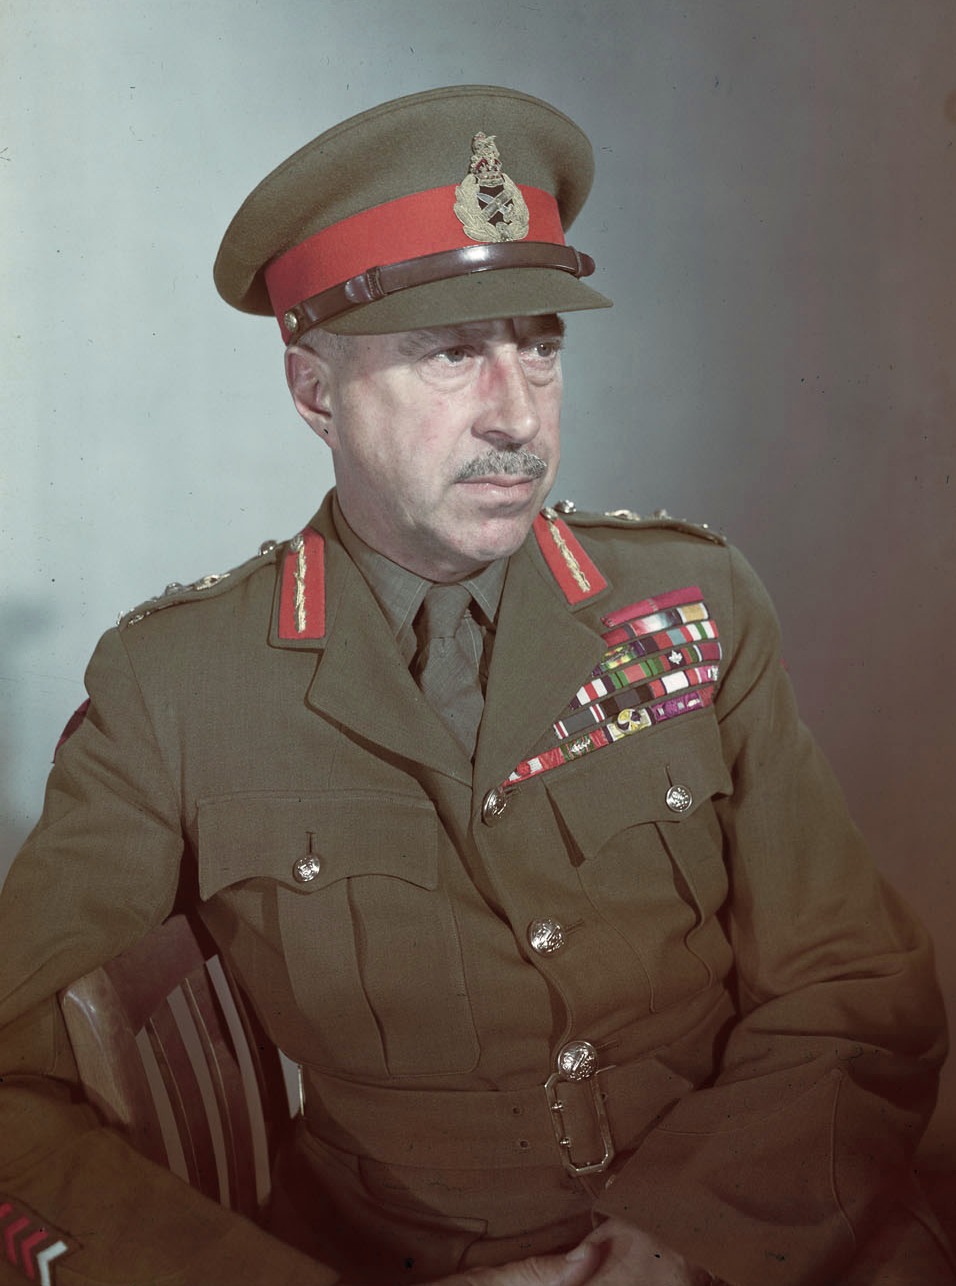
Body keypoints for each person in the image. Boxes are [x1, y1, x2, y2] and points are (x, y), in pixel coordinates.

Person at [0, 84, 952, 1286]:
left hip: (756, 1237)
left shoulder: (693, 602)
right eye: (451, 352)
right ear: (314, 394)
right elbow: (12, 1083)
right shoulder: (179, 685)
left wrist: (676, 1241)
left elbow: (853, 983)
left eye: (538, 349)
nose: (516, 418)